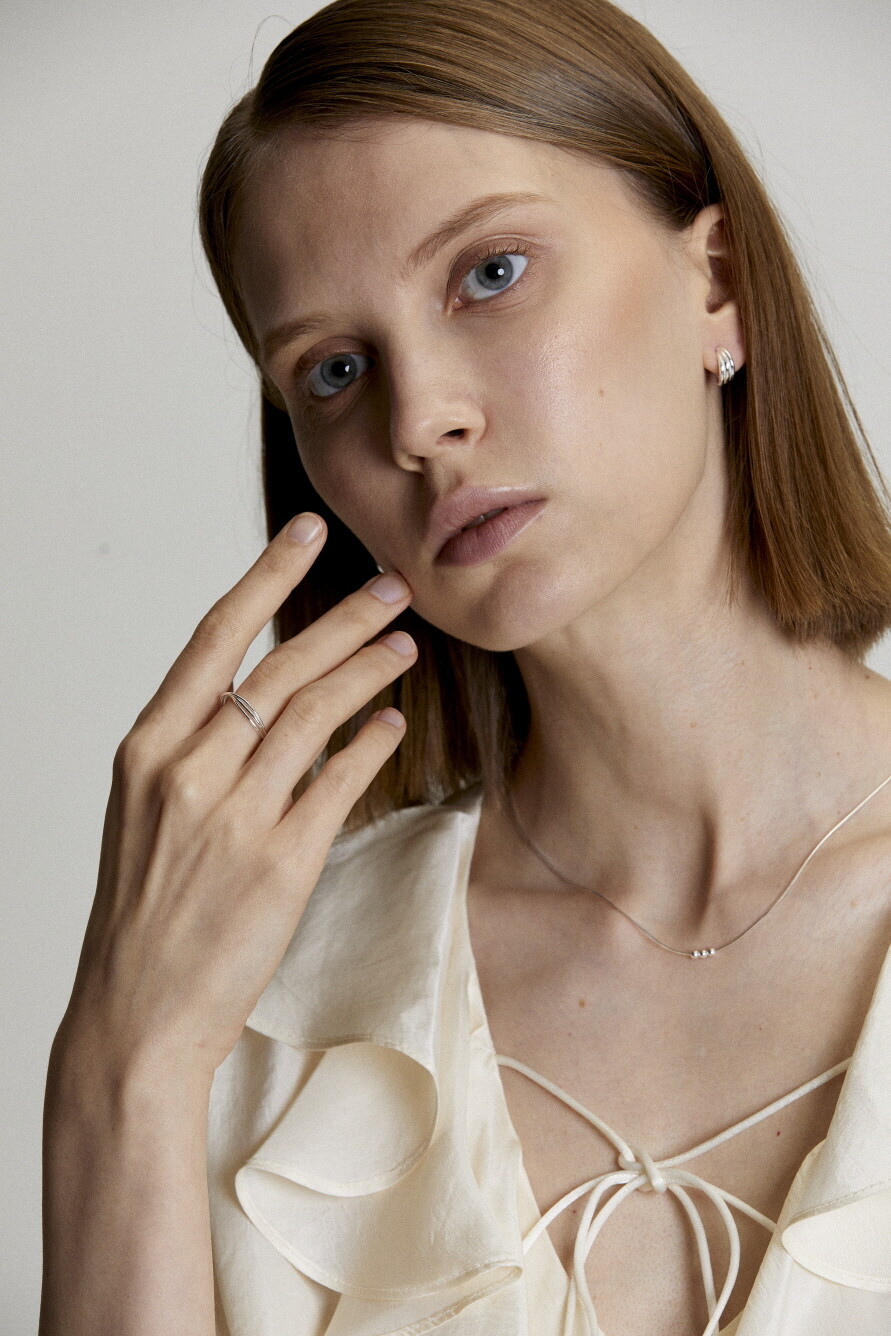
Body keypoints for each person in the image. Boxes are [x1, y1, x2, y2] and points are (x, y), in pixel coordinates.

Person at [39, 1, 891, 1334]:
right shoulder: (263, 1006)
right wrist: (121, 1066)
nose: (421, 419)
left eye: (490, 273)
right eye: (333, 369)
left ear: (717, 283)